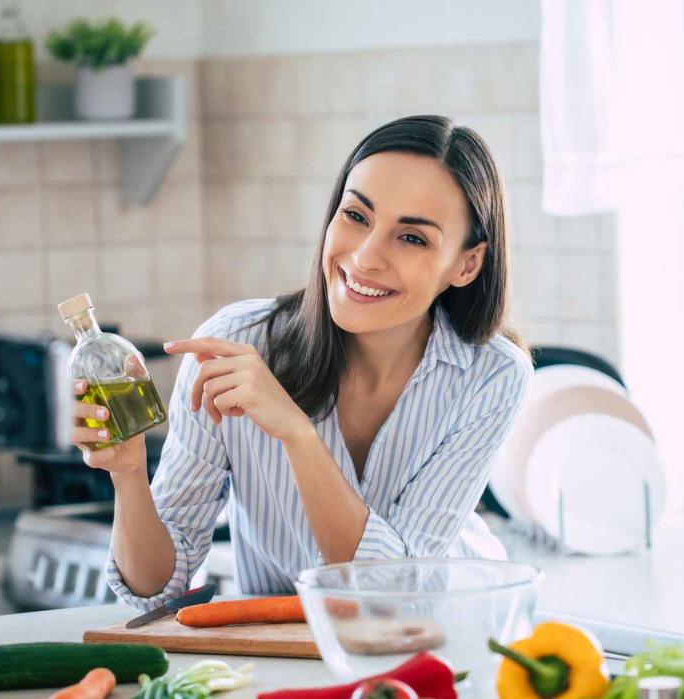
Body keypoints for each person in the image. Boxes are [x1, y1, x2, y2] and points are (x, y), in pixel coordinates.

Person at [71, 115, 533, 608]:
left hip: (446, 641)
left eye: (412, 238)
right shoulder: (232, 344)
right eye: (356, 216)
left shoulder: (492, 376)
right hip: (279, 660)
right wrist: (129, 474)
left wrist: (298, 434)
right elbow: (155, 591)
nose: (364, 258)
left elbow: (392, 591)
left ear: (467, 264)